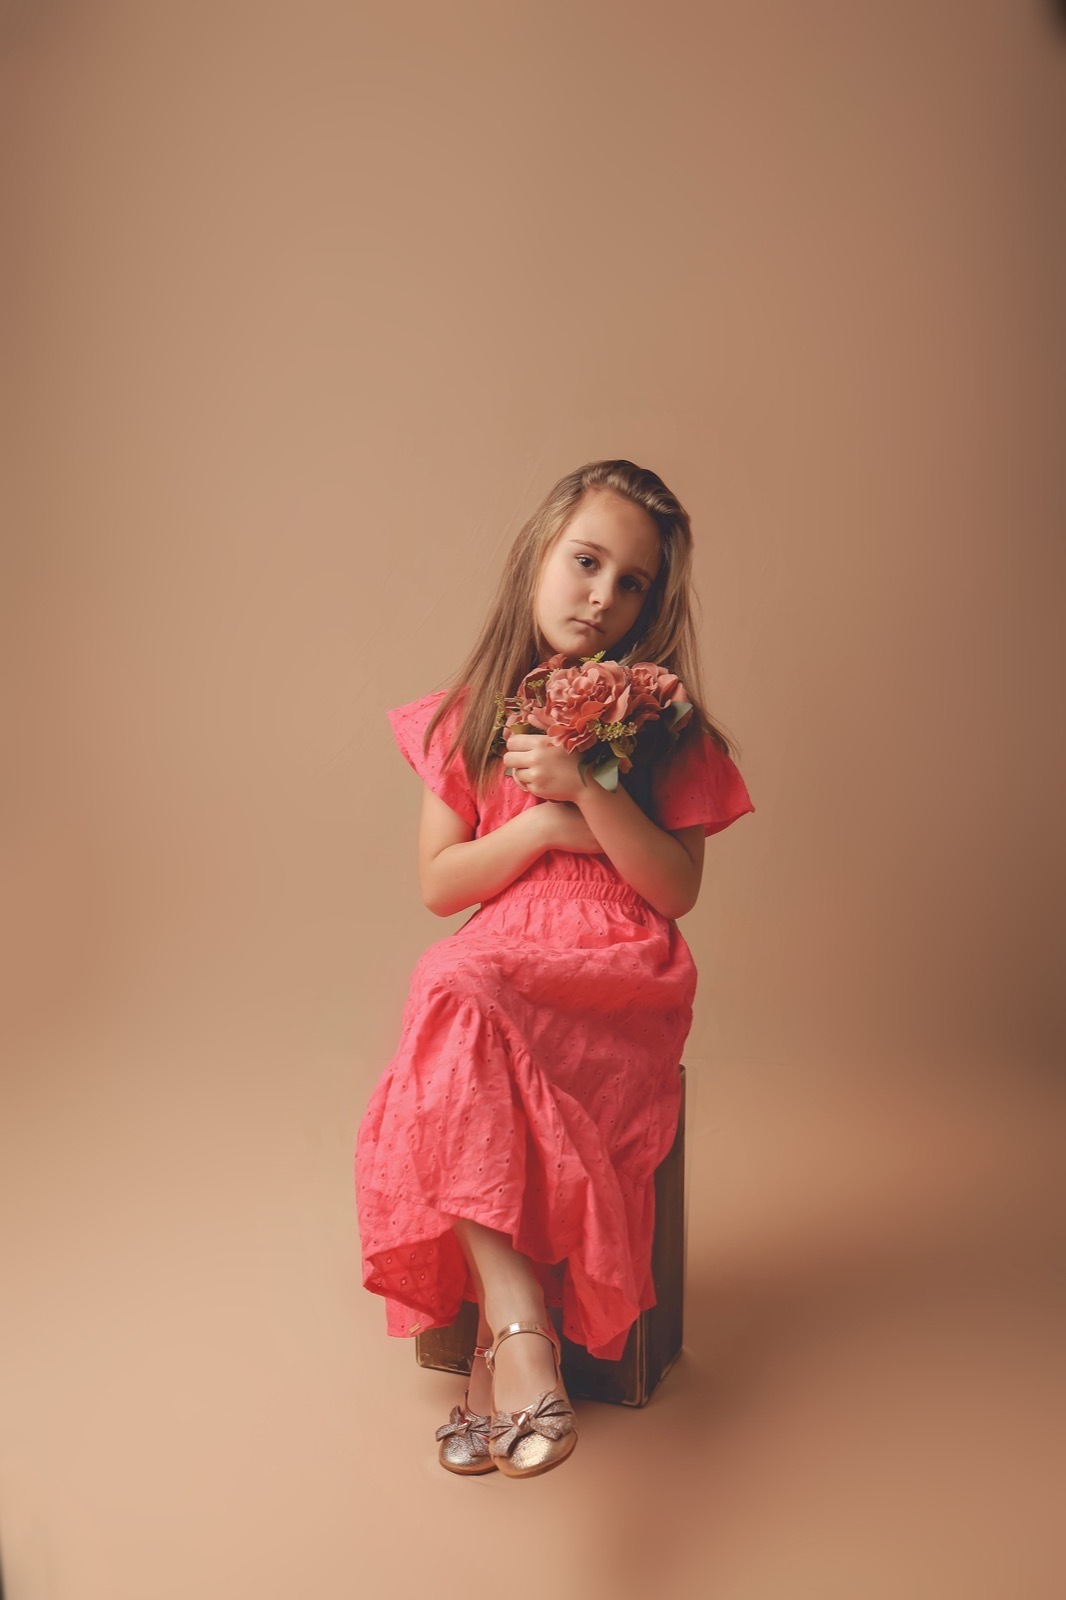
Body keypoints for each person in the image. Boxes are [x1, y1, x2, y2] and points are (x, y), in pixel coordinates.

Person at [354, 458, 755, 1479]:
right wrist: (540, 826)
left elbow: (672, 888)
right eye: (586, 561)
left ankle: (506, 1349)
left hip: (619, 959)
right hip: (504, 952)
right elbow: (441, 882)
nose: (602, 596)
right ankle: (519, 1327)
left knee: (452, 993)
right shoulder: (465, 718)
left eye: (632, 583)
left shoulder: (666, 727)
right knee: (450, 986)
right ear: (537, 553)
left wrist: (590, 790)